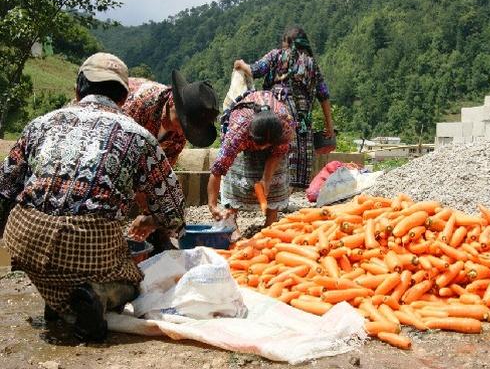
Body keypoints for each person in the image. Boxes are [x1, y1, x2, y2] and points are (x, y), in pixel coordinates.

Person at [0, 53, 186, 342]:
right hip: (87, 238)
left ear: (77, 90)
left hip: (26, 235)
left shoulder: (39, 123)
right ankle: (96, 296)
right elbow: (173, 211)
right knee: (132, 280)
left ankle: (58, 300)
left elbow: (5, 188)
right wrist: (154, 220)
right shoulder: (140, 137)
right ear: (124, 98)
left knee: (50, 251)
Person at [123, 70, 219, 252]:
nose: (182, 133)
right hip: (107, 142)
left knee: (165, 208)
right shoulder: (141, 104)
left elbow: (161, 177)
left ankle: (157, 238)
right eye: (181, 124)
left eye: (188, 130)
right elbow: (123, 154)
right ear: (172, 103)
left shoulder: (178, 137)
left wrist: (153, 218)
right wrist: (141, 199)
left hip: (137, 155)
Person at [235, 25, 335, 189]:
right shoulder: (311, 65)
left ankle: (271, 192)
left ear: (286, 42)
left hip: (278, 112)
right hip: (303, 120)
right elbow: (324, 96)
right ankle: (287, 193)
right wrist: (329, 126)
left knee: (277, 151)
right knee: (296, 152)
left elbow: (255, 70)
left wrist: (241, 64)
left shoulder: (277, 56)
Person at [207, 89, 295, 234]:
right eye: (261, 144)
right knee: (237, 174)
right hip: (243, 130)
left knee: (275, 181)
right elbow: (217, 170)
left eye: (268, 145)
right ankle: (231, 221)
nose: (263, 148)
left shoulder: (285, 126)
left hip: (274, 133)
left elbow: (277, 154)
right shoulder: (238, 131)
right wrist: (212, 205)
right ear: (250, 136)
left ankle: (270, 223)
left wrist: (266, 180)